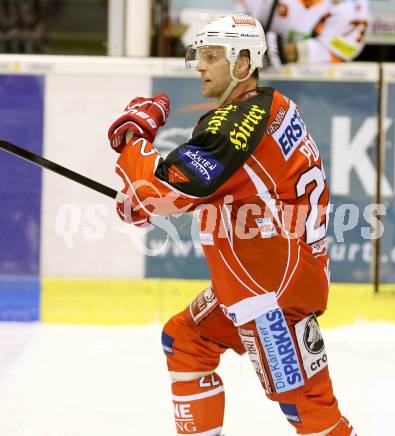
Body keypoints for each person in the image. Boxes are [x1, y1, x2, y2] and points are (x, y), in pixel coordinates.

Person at [108, 14, 355, 436]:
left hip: (269, 298)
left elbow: (159, 191)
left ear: (243, 64)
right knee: (186, 341)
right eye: (199, 56)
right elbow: (215, 189)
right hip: (265, 280)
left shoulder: (234, 126)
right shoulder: (271, 105)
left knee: (311, 411)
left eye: (212, 56)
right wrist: (149, 199)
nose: (201, 66)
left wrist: (135, 140)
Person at [235, 0, 370, 68]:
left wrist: (289, 51)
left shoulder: (354, 6)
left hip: (313, 90)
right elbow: (235, 23)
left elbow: (340, 51)